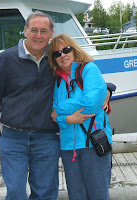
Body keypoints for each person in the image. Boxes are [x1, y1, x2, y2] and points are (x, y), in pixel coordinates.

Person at [0, 11, 115, 200]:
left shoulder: (54, 61)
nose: (38, 35)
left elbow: (86, 82)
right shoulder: (6, 59)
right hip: (15, 137)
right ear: (25, 31)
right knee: (15, 193)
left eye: (43, 31)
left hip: (47, 139)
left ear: (51, 33)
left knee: (45, 193)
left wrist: (108, 89)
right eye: (34, 30)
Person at [48, 34, 113, 200]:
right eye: (57, 53)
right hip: (69, 147)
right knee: (76, 196)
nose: (62, 55)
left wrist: (61, 109)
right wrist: (68, 119)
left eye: (66, 49)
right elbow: (55, 117)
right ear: (54, 59)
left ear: (74, 49)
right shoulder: (58, 81)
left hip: (93, 143)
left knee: (98, 195)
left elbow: (92, 103)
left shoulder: (89, 69)